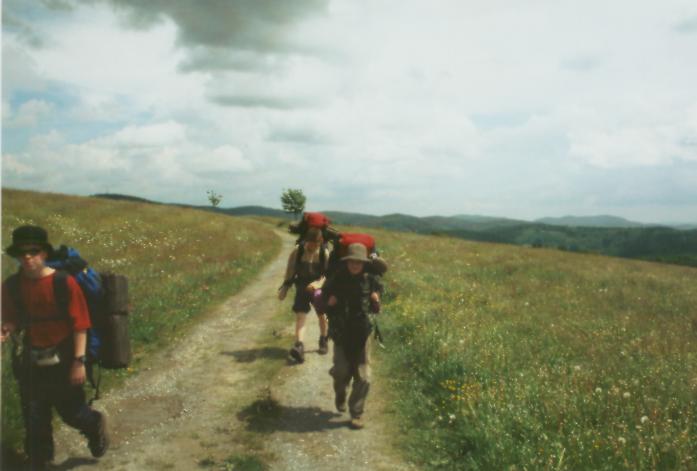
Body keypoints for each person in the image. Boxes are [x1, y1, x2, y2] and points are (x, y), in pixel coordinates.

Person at [1, 225, 109, 469]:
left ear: (45, 253)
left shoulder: (64, 283)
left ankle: (94, 424)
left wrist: (78, 363)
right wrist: (6, 328)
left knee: (72, 412)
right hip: (31, 357)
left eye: (34, 251)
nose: (28, 257)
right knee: (34, 416)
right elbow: (12, 318)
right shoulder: (10, 286)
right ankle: (41, 462)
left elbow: (81, 325)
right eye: (22, 252)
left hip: (67, 353)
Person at [322, 243, 385, 430]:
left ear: (364, 263)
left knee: (364, 376)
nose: (355, 265)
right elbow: (324, 300)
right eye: (352, 262)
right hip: (341, 332)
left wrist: (376, 299)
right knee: (341, 371)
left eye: (359, 262)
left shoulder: (371, 279)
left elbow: (379, 303)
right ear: (347, 262)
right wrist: (330, 302)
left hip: (362, 332)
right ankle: (340, 393)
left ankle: (356, 413)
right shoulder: (337, 278)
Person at [278, 227, 330, 363]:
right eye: (309, 243)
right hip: (301, 287)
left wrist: (317, 285)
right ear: (305, 240)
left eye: (315, 244)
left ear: (320, 242)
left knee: (322, 315)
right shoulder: (298, 251)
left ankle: (323, 339)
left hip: (318, 290)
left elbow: (327, 275)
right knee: (300, 316)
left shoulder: (324, 253)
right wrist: (285, 287)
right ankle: (299, 346)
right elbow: (290, 270)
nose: (311, 246)